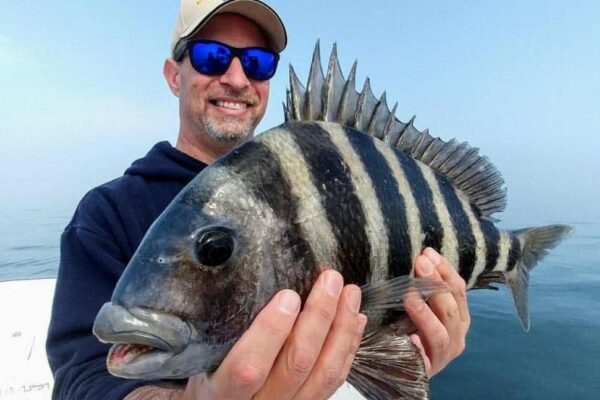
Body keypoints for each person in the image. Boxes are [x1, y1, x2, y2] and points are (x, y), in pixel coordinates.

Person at [46, 1, 470, 399]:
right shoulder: (107, 214)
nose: (236, 77)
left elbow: (377, 325)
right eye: (212, 56)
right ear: (174, 75)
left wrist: (412, 352)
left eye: (257, 63)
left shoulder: (328, 172)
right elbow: (81, 379)